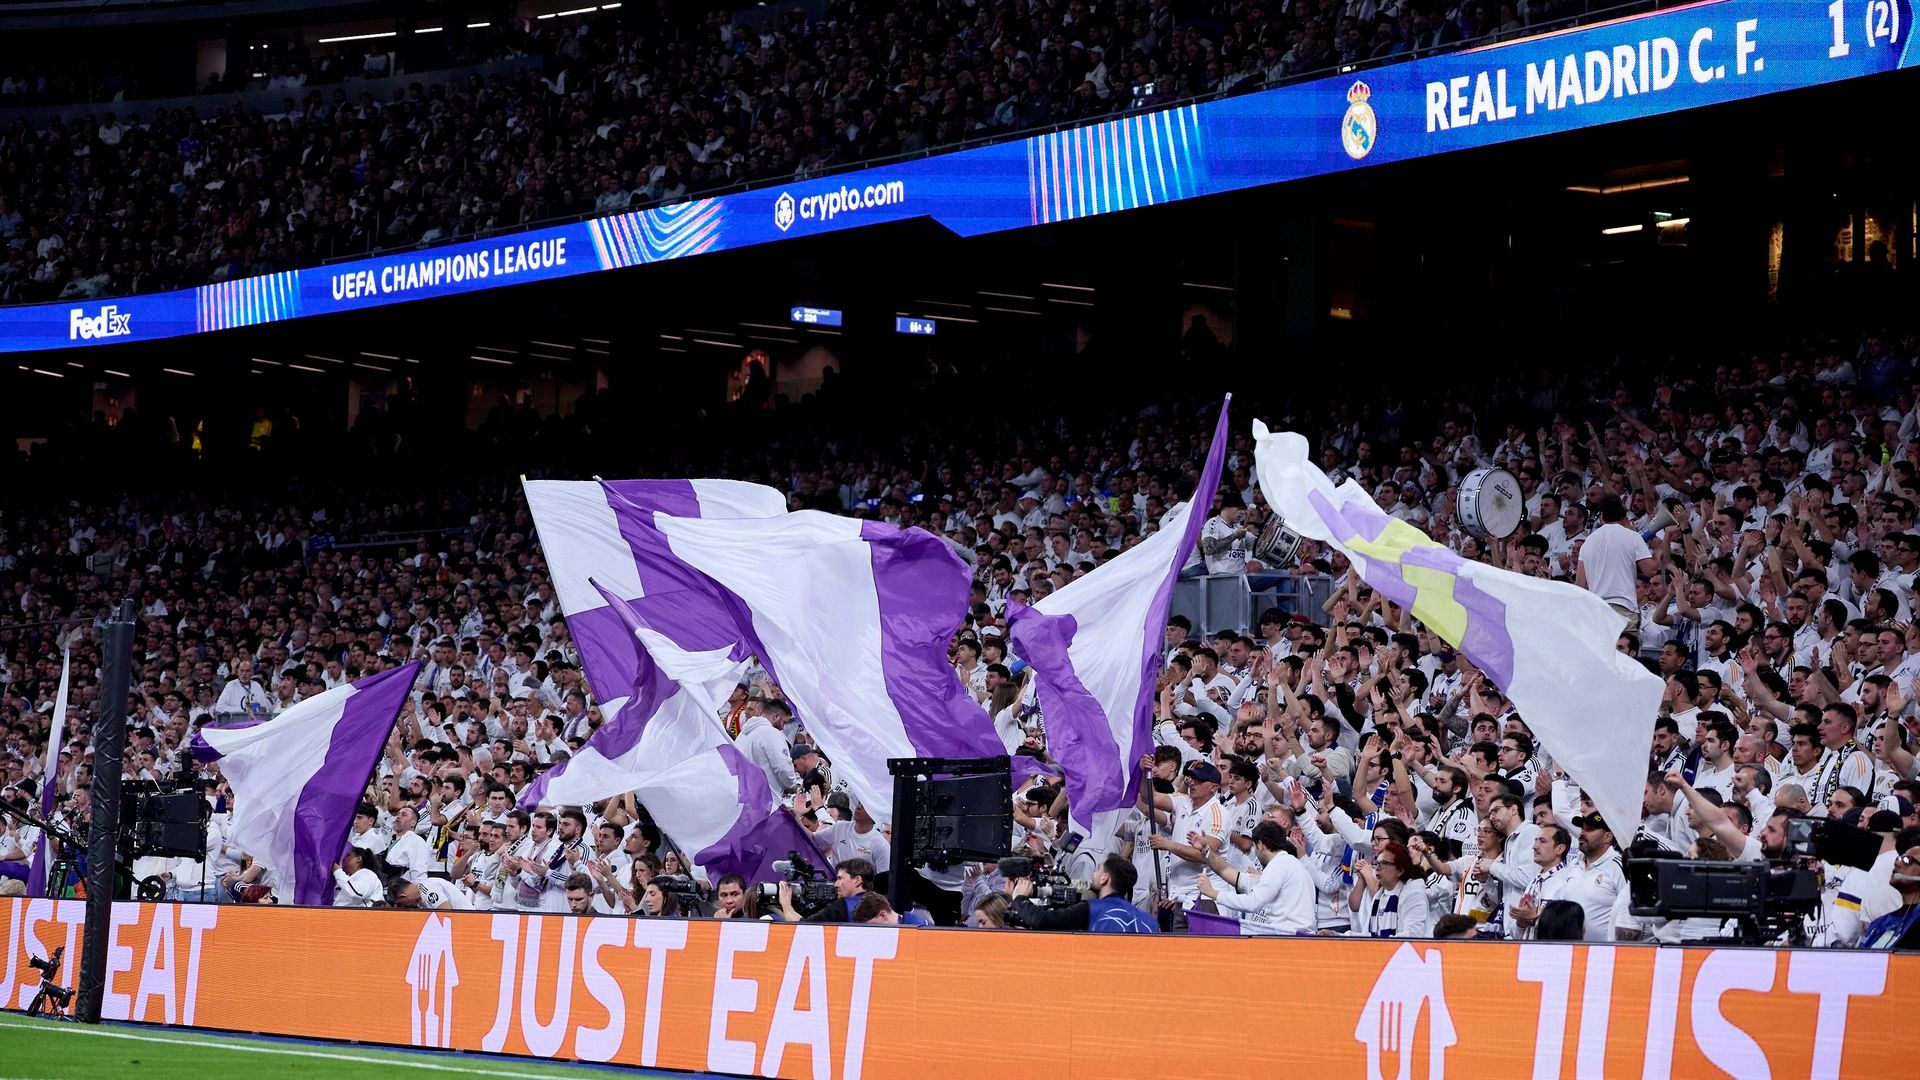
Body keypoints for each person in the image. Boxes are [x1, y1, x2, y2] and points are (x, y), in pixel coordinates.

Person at [1195, 820, 1316, 934]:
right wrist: (1207, 850)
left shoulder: (1278, 865)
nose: (1255, 853)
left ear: (1260, 844)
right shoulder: (1290, 865)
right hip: (1300, 938)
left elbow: (1252, 903)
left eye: (1254, 847)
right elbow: (1227, 871)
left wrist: (1213, 893)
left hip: (1290, 939)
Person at [1006, 854, 1158, 932]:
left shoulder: (1092, 909)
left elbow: (1042, 921)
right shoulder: (1149, 920)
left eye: (1098, 869)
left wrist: (1019, 898)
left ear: (1105, 878)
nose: (1093, 873)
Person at [1577, 494, 1656, 629]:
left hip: (1597, 612)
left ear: (1601, 516)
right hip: (1623, 609)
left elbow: (1579, 584)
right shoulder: (1632, 536)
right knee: (1624, 650)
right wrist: (1659, 550)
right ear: (1622, 516)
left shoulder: (1588, 541)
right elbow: (1651, 570)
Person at [778, 857, 876, 922]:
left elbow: (803, 927)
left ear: (857, 880)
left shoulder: (842, 906)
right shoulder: (880, 903)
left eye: (840, 878)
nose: (836, 884)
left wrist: (786, 904)